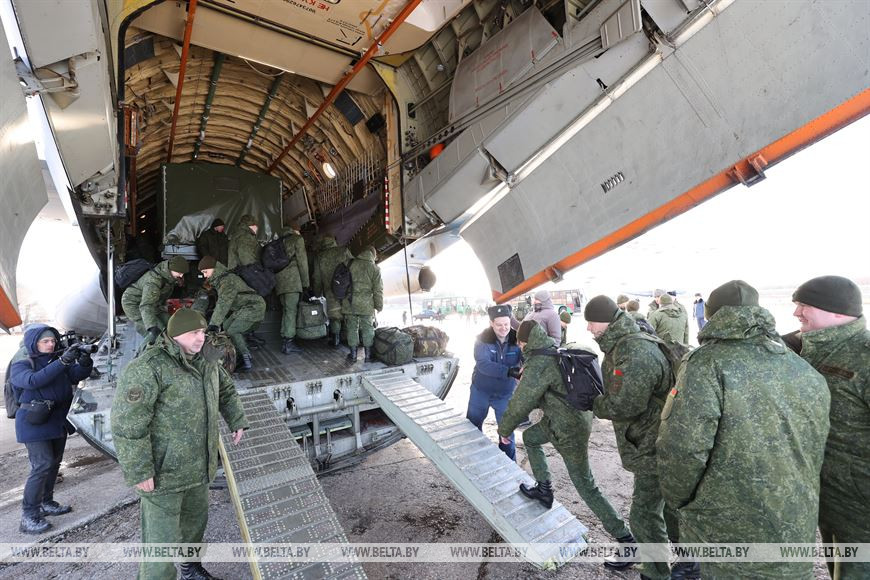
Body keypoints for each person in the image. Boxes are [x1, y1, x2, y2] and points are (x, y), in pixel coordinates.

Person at [657, 280, 830, 579]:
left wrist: (681, 502)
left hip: (728, 528)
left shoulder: (707, 364)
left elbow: (683, 449)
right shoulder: (798, 363)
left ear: (711, 316)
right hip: (795, 520)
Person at [112, 308, 248, 580]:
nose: (200, 339)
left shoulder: (207, 362)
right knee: (159, 546)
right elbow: (127, 424)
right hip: (165, 474)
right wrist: (140, 470)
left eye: (202, 332)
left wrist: (237, 419)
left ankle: (191, 569)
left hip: (199, 469)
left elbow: (226, 390)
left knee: (195, 527)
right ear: (174, 335)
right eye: (193, 333)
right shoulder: (149, 367)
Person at [497, 320, 634, 571]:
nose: (519, 345)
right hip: (566, 420)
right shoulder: (553, 350)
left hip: (568, 430)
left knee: (585, 485)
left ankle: (626, 540)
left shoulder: (540, 362)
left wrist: (504, 431)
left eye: (520, 341)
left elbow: (521, 404)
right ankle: (544, 489)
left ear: (524, 342)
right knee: (531, 438)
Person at [585, 296, 676, 580]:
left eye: (591, 322)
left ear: (606, 319)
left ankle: (657, 573)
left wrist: (594, 402)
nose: (588, 328)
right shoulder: (623, 341)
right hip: (653, 439)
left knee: (645, 514)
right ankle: (688, 562)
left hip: (655, 444)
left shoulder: (634, 350)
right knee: (667, 506)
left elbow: (626, 404)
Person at [789, 275, 868, 580]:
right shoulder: (801, 348)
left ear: (836, 311)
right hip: (825, 496)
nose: (797, 312)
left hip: (862, 507)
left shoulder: (865, 355)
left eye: (804, 305)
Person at [10, 325, 93, 534]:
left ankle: (46, 502)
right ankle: (28, 516)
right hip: (34, 422)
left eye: (52, 341)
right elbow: (33, 380)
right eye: (45, 341)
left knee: (54, 463)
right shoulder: (21, 365)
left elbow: (75, 376)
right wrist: (63, 361)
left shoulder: (54, 361)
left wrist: (84, 362)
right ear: (33, 343)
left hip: (56, 420)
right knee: (42, 464)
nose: (51, 344)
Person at [466, 305, 523, 460]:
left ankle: (510, 467)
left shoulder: (518, 339)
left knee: (507, 434)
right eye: (499, 325)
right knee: (472, 428)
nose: (504, 328)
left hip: (504, 395)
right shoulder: (482, 339)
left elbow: (527, 358)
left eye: (506, 324)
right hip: (481, 392)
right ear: (491, 323)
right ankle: (475, 460)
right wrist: (509, 371)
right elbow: (483, 364)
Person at [198, 256, 266, 371]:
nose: (205, 275)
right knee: (227, 327)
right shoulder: (221, 279)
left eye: (205, 272)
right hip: (243, 308)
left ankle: (246, 360)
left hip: (253, 307)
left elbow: (223, 303)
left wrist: (213, 325)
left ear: (213, 268)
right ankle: (240, 353)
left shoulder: (227, 280)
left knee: (233, 331)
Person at [121, 256, 189, 341]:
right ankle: (145, 347)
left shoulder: (168, 276)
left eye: (183, 273)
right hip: (134, 305)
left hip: (153, 304)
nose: (181, 275)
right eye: (179, 272)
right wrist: (151, 326)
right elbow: (146, 305)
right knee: (158, 334)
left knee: (170, 323)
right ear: (170, 269)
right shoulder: (153, 281)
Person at [343, 246, 383, 363]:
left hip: (350, 302)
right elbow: (378, 290)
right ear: (373, 255)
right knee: (368, 328)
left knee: (352, 328)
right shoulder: (375, 269)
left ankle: (353, 354)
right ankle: (368, 355)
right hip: (366, 304)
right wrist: (379, 306)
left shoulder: (349, 264)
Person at [274, 223, 309, 354]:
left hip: (279, 282)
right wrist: (305, 283)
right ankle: (289, 342)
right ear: (294, 230)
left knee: (286, 310)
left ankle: (285, 340)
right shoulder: (297, 240)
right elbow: (302, 262)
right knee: (291, 311)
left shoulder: (277, 243)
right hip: (292, 282)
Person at [312, 235, 353, 347]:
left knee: (335, 316)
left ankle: (336, 340)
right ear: (334, 241)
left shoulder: (319, 257)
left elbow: (317, 278)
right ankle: (351, 340)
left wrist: (317, 293)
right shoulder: (343, 250)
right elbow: (353, 267)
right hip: (346, 288)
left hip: (330, 291)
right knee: (349, 314)